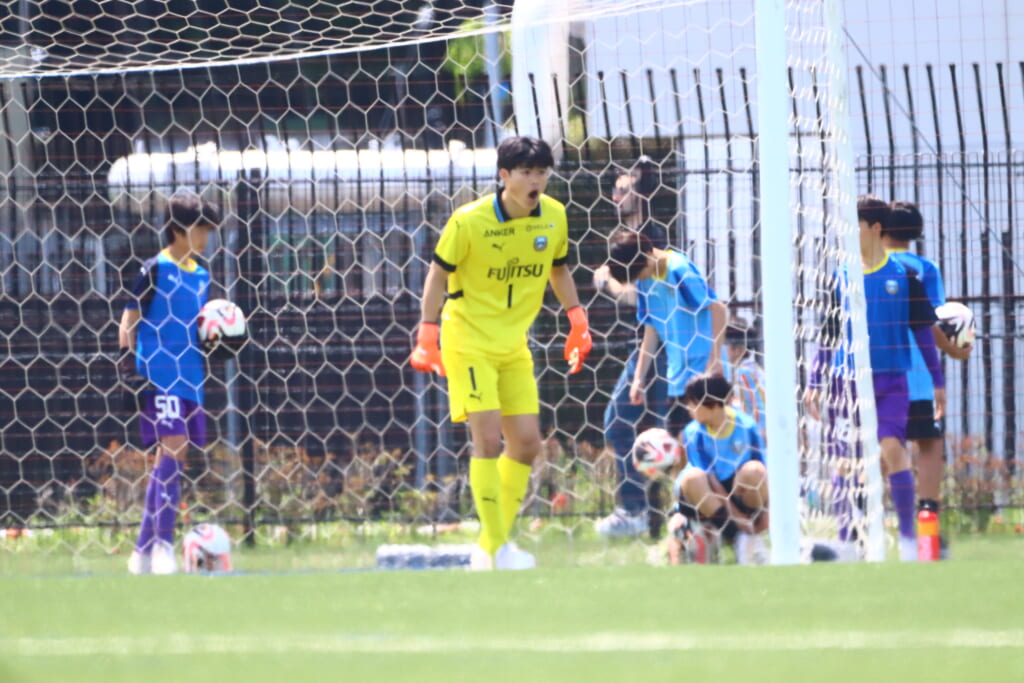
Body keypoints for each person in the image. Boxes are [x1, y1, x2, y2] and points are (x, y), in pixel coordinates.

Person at [408, 136, 592, 570]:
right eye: (526, 172)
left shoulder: (554, 216)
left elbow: (559, 269)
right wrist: (427, 333)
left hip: (513, 345)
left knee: (527, 444)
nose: (536, 181)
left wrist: (577, 319)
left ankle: (489, 546)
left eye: (542, 172)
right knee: (488, 441)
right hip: (468, 341)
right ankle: (496, 549)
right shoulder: (469, 221)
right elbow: (437, 275)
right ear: (504, 176)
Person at [804, 195, 946, 562]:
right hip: (845, 383)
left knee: (892, 449)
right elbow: (829, 335)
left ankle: (910, 540)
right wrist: (815, 381)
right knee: (845, 462)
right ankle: (847, 541)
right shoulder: (841, 277)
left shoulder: (905, 277)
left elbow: (923, 332)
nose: (846, 231)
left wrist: (938, 382)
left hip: (891, 382)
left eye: (854, 224)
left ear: (875, 228)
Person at [119, 192, 221, 575]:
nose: (206, 237)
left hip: (191, 379)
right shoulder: (154, 270)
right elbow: (128, 322)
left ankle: (142, 552)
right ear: (178, 230)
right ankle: (163, 545)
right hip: (159, 376)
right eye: (200, 229)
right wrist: (127, 368)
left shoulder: (202, 275)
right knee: (174, 448)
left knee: (173, 458)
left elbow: (199, 326)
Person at [883, 201, 971, 556]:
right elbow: (931, 319)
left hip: (882, 374)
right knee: (929, 444)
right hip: (918, 376)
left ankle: (868, 516)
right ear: (917, 233)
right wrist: (953, 347)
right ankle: (927, 521)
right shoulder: (924, 268)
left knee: (885, 444)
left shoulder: (869, 265)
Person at [591, 158, 672, 538]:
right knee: (640, 428)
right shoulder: (626, 235)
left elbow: (642, 298)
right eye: (615, 189)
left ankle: (641, 510)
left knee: (625, 423)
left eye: (624, 190)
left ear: (641, 194)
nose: (616, 196)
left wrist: (607, 282)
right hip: (640, 345)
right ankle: (648, 511)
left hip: (659, 347)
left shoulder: (652, 238)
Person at [666, 374, 768, 565]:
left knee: (755, 471)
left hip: (736, 489)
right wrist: (739, 521)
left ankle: (748, 536)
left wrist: (767, 514)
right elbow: (712, 483)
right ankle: (739, 537)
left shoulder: (746, 426)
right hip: (706, 495)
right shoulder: (693, 433)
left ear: (712, 404)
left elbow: (764, 471)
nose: (688, 409)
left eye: (692, 403)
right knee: (693, 478)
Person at [724, 318, 766, 443]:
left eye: (726, 345)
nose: (723, 350)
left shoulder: (744, 372)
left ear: (739, 349)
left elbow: (759, 406)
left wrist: (760, 435)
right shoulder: (750, 367)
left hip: (758, 435)